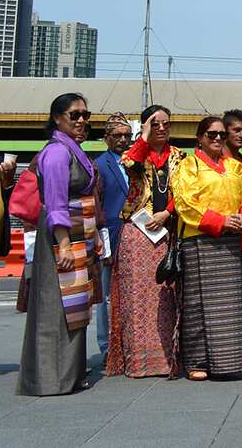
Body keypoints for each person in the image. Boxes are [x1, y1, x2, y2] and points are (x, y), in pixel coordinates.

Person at [18, 94, 102, 396]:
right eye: (74, 115)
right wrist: (64, 244)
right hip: (60, 238)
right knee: (56, 306)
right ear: (57, 118)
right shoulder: (55, 152)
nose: (81, 121)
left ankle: (70, 374)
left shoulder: (73, 148)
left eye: (85, 115)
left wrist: (93, 235)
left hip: (79, 234)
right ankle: (51, 378)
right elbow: (55, 203)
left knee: (76, 307)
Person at [171, 116, 242, 380]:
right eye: (211, 134)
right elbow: (185, 203)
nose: (218, 138)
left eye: (221, 134)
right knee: (197, 303)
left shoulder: (235, 167)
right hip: (200, 239)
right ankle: (197, 362)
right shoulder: (189, 165)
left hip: (230, 241)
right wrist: (220, 220)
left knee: (229, 305)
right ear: (200, 137)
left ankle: (227, 361)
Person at [106, 103, 182, 379]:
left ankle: (166, 360)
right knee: (136, 298)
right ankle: (139, 362)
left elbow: (184, 192)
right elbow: (130, 165)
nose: (161, 128)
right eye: (155, 123)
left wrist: (167, 213)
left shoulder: (180, 157)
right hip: (137, 233)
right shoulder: (135, 154)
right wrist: (144, 136)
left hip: (167, 231)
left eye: (165, 123)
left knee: (166, 298)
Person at [93, 112, 132, 360]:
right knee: (106, 296)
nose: (123, 139)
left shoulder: (137, 162)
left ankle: (130, 342)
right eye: (117, 135)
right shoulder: (99, 165)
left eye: (127, 135)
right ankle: (107, 347)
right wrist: (99, 238)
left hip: (136, 234)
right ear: (106, 138)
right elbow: (96, 205)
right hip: (110, 233)